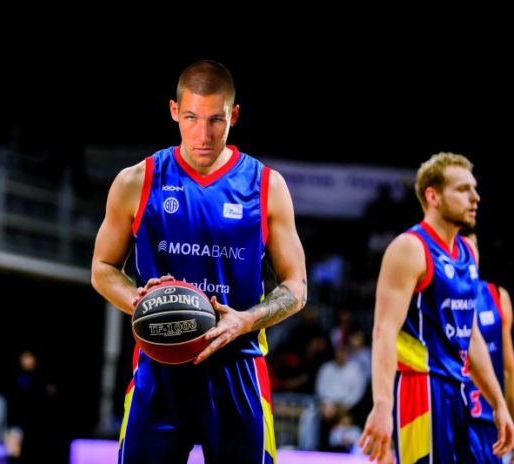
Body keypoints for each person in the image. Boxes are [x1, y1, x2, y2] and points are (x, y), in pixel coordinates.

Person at [91, 60, 307, 463]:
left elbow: (297, 287)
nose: (203, 134)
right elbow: (102, 268)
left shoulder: (266, 186)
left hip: (238, 366)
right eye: (191, 117)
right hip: (159, 367)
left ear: (234, 115)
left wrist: (246, 319)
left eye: (215, 120)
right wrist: (140, 302)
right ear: (174, 111)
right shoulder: (137, 180)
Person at [359, 152, 514, 463]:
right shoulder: (410, 248)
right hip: (421, 388)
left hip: (462, 389)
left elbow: (470, 335)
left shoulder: (467, 252)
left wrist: (498, 402)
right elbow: (384, 331)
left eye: (474, 188)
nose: (475, 197)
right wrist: (382, 405)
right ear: (433, 197)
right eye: (463, 189)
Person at [462, 231, 514, 464]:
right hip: (447, 420)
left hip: (488, 425)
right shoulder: (432, 296)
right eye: (463, 245)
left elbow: (509, 371)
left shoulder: (497, 296)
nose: (471, 252)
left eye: (474, 245)